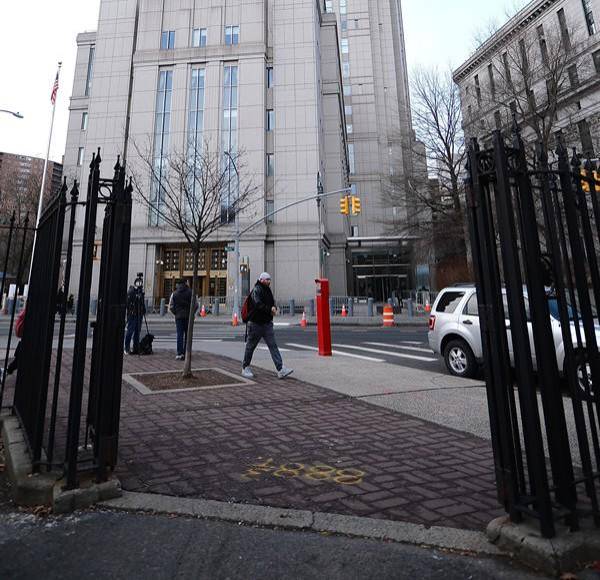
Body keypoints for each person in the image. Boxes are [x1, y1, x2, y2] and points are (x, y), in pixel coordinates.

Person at [242, 272, 293, 379]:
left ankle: (280, 369)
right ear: (261, 280)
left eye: (269, 279)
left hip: (266, 323)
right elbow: (257, 304)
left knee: (273, 346)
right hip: (255, 323)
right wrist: (270, 309)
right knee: (251, 346)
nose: (269, 281)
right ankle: (245, 367)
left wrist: (274, 307)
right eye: (267, 279)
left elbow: (271, 302)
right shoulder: (257, 289)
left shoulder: (267, 290)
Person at [169, 279, 193, 360]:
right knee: (188, 335)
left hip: (178, 317)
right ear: (185, 283)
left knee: (179, 335)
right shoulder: (190, 292)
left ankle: (179, 353)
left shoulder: (174, 293)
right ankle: (186, 352)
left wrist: (176, 313)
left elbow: (171, 306)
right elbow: (196, 305)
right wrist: (191, 313)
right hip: (188, 317)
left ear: (178, 284)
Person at [124, 278, 146, 355]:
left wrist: (143, 310)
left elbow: (142, 302)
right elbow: (127, 304)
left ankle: (136, 348)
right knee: (130, 331)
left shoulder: (141, 292)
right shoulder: (131, 292)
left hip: (139, 314)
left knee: (137, 332)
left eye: (141, 283)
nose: (140, 285)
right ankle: (126, 348)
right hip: (132, 315)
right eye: (139, 283)